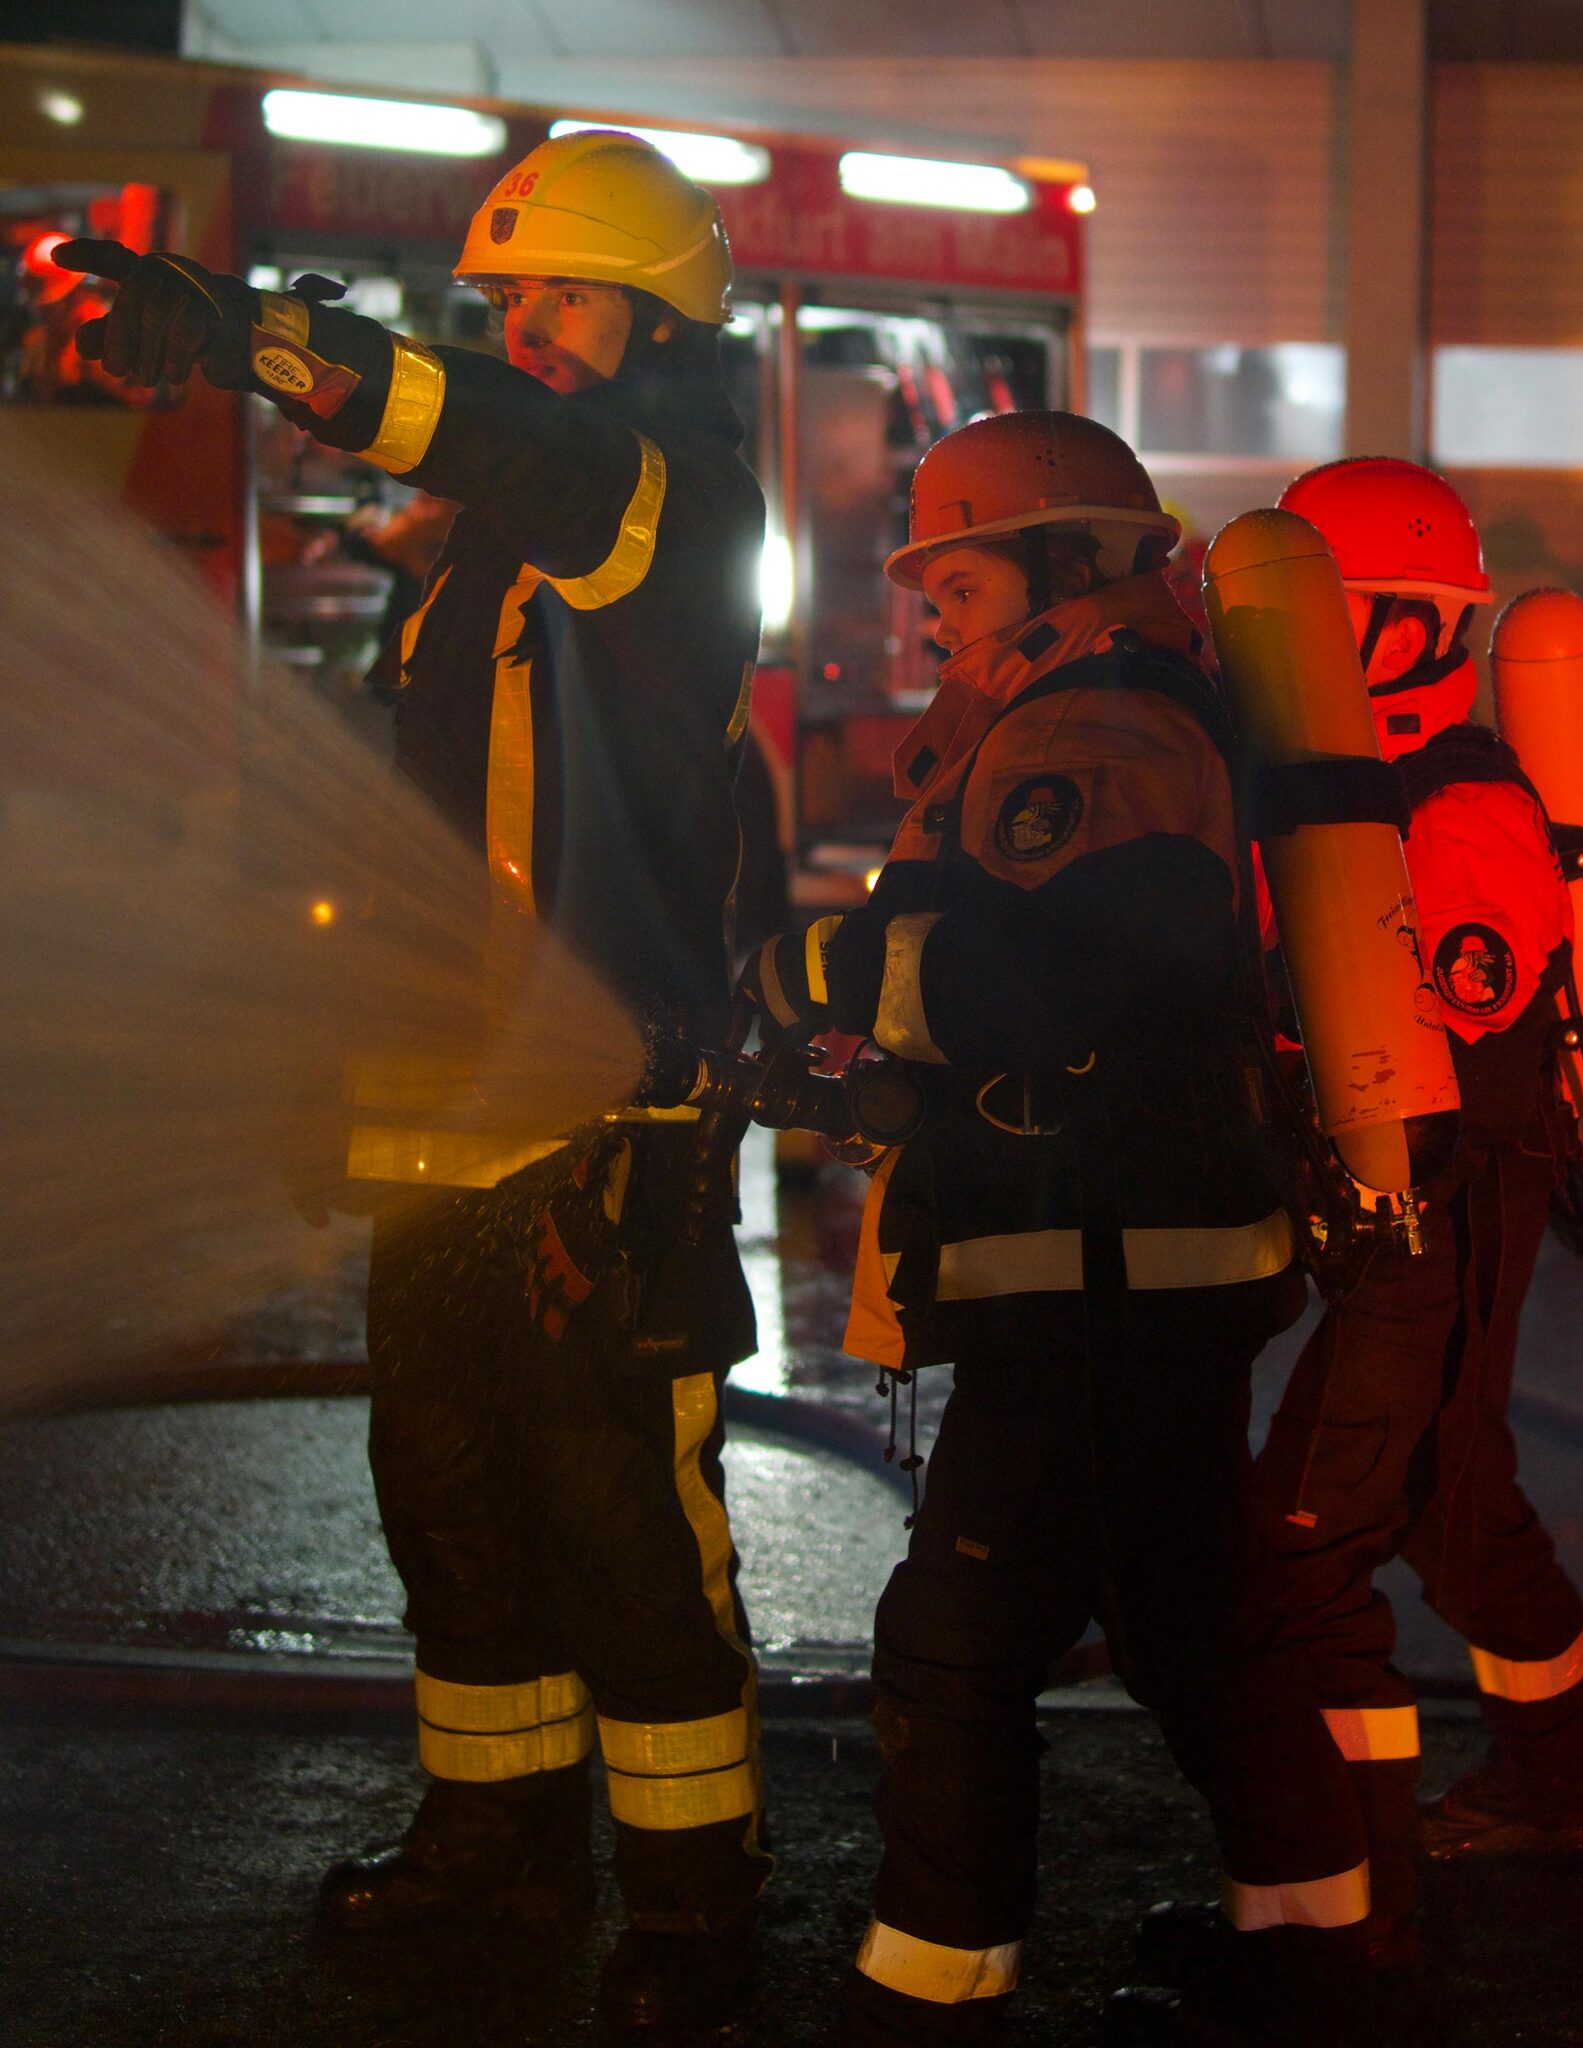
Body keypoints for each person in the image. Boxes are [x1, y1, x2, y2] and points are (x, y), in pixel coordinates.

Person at [60, 128, 771, 2037]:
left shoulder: (663, 496)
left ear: (658, 319)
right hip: (439, 1104)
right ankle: (495, 1846)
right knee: (445, 1494)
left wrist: (255, 338)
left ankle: (698, 1897)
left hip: (595, 1117)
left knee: (619, 1514)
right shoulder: (480, 556)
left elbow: (502, 443)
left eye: (562, 297)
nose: (526, 326)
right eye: (508, 298)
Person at [741, 412, 1376, 2046]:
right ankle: (1312, 1945)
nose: (925, 611)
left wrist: (817, 979)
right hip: (1129, 1258)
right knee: (1187, 1620)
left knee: (953, 1641)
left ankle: (929, 1988)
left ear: (1064, 563)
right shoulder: (1073, 710)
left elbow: (1060, 971)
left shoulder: (1088, 723)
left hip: (1092, 1269)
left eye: (951, 574)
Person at [1134, 458, 1583, 2022]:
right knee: (1456, 1506)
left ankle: (1363, 1897)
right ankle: (1552, 1790)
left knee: (1299, 1544)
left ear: (1405, 631)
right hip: (1420, 1223)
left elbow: (1456, 1055)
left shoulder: (1456, 802)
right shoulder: (1334, 789)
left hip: (1439, 1220)